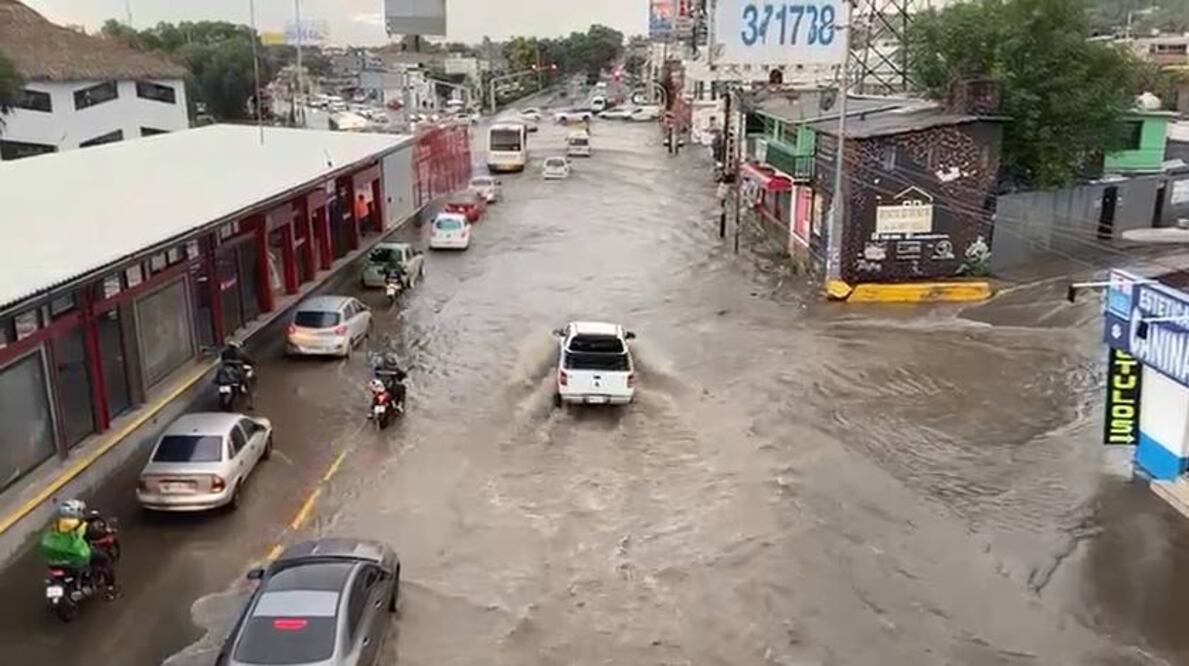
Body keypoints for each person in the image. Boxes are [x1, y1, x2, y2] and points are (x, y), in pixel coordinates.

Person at [40, 500, 117, 599]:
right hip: (76, 556)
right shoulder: (80, 525)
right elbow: (95, 533)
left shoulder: (56, 524)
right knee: (104, 559)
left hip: (56, 559)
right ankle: (111, 589)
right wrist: (106, 532)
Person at [219, 340, 256, 409]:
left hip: (224, 372)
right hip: (236, 372)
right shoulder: (240, 353)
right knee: (248, 386)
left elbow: (223, 361)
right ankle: (251, 404)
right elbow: (250, 361)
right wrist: (252, 362)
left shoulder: (224, 353)